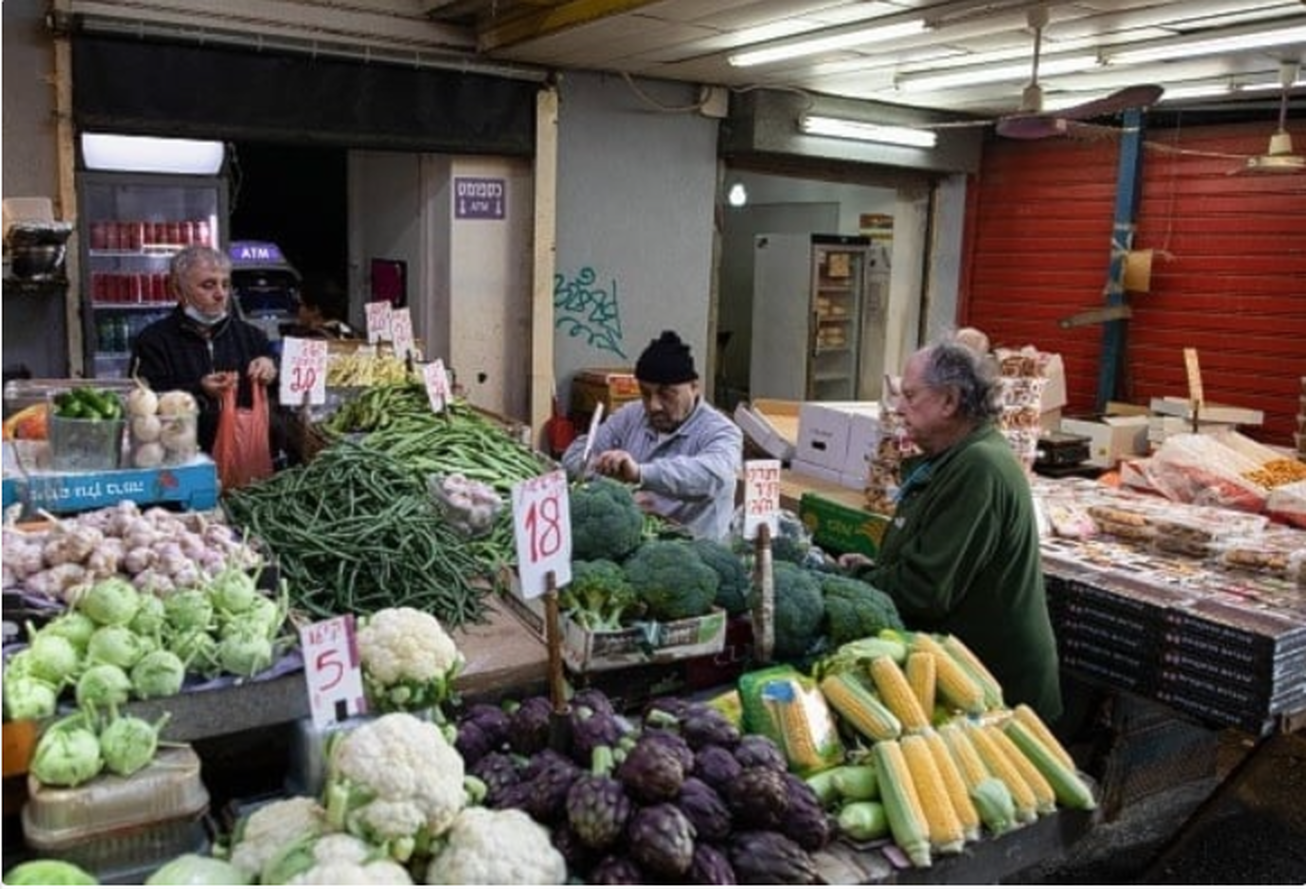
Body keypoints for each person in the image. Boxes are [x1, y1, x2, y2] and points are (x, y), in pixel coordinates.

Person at [841, 338, 1063, 723]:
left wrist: (858, 579)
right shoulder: (950, 460)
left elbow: (924, 591)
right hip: (964, 681)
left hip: (999, 700)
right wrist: (876, 569)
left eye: (910, 396)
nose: (899, 408)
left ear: (949, 401)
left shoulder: (979, 467)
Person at [561, 330, 742, 541]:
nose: (654, 405)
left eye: (666, 394)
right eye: (646, 393)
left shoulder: (722, 431)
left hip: (695, 550)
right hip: (638, 544)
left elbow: (713, 476)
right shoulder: (631, 415)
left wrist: (640, 474)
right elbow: (574, 457)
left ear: (694, 387)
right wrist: (616, 487)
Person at [131, 244, 278, 454]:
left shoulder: (252, 336)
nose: (220, 294)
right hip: (182, 456)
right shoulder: (153, 340)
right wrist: (199, 390)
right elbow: (145, 404)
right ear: (178, 291)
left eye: (225, 285)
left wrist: (271, 369)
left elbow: (277, 395)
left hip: (244, 455)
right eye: (208, 285)